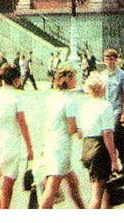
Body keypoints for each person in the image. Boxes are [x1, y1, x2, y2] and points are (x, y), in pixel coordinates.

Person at [0, 63, 34, 209]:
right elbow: (22, 123)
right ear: (15, 80)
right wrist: (29, 147)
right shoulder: (16, 97)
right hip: (11, 141)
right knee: (8, 181)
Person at [39, 63, 85, 209]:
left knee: (73, 182)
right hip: (61, 146)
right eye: (74, 78)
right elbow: (71, 128)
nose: (76, 81)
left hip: (51, 142)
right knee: (52, 187)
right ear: (67, 80)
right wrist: (80, 131)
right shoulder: (70, 100)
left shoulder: (52, 97)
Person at [78, 71, 118, 209]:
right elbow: (107, 134)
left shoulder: (85, 106)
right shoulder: (106, 106)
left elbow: (80, 131)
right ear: (103, 88)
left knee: (105, 188)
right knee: (97, 194)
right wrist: (114, 159)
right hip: (100, 147)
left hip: (87, 146)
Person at [101, 48, 124, 175]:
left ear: (116, 60)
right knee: (106, 138)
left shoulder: (122, 75)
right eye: (106, 59)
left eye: (111, 59)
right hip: (104, 111)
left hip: (116, 110)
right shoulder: (102, 75)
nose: (109, 62)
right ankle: (109, 165)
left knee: (118, 138)